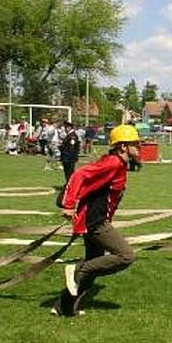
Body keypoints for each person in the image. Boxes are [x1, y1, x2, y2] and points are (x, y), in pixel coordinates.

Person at [53, 124, 141, 317]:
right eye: (135, 143)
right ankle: (77, 268)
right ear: (123, 146)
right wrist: (68, 205)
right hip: (95, 222)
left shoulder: (120, 164)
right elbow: (80, 174)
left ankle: (64, 307)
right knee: (125, 255)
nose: (139, 146)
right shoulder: (113, 163)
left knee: (94, 265)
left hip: (95, 219)